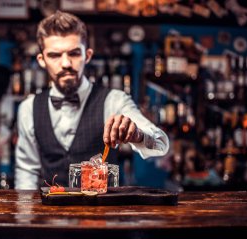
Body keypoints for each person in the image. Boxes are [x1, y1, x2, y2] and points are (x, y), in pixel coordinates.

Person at [15, 10, 169, 190]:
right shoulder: (28, 108)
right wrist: (26, 215)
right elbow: (26, 172)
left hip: (103, 214)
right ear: (42, 60)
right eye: (55, 55)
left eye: (74, 53)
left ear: (87, 55)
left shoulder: (114, 100)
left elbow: (161, 145)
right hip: (50, 214)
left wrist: (138, 135)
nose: (65, 64)